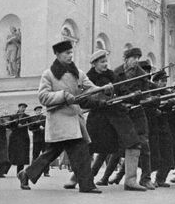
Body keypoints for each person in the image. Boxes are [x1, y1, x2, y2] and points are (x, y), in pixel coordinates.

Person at [17, 40, 108, 193]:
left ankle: (26, 174)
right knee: (74, 152)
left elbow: (90, 87)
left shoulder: (78, 73)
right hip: (59, 120)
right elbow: (43, 97)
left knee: (62, 152)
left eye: (71, 52)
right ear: (58, 55)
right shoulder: (49, 74)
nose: (70, 56)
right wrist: (63, 95)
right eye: (67, 53)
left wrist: (103, 89)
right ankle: (86, 185)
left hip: (74, 119)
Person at [68, 49, 145, 191]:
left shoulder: (113, 75)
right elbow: (82, 100)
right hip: (98, 117)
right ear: (94, 64)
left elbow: (123, 91)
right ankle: (75, 178)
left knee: (133, 142)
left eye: (106, 61)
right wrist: (99, 100)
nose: (105, 64)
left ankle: (130, 181)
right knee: (88, 147)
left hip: (117, 114)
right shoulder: (87, 78)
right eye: (102, 62)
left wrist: (132, 95)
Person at [112, 47, 156, 190]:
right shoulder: (116, 73)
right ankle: (97, 176)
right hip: (122, 113)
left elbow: (146, 95)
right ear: (126, 58)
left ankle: (146, 178)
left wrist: (140, 96)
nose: (136, 61)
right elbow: (112, 94)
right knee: (113, 145)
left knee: (144, 144)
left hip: (137, 112)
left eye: (138, 58)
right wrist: (121, 102)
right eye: (133, 58)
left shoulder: (142, 74)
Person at [5, 103, 31, 174]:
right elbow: (8, 126)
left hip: (23, 138)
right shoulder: (13, 116)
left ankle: (19, 172)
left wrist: (28, 124)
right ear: (18, 107)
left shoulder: (27, 117)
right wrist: (16, 124)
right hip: (14, 138)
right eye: (22, 107)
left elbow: (31, 127)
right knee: (11, 154)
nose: (23, 109)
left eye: (24, 108)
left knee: (22, 156)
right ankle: (4, 171)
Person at [28, 106, 48, 177]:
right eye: (37, 110)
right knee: (35, 155)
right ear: (35, 111)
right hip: (36, 139)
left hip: (44, 139)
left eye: (40, 110)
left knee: (45, 155)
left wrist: (43, 128)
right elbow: (30, 128)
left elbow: (48, 127)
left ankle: (46, 171)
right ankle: (33, 171)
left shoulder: (44, 118)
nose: (39, 111)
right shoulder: (32, 118)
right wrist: (37, 126)